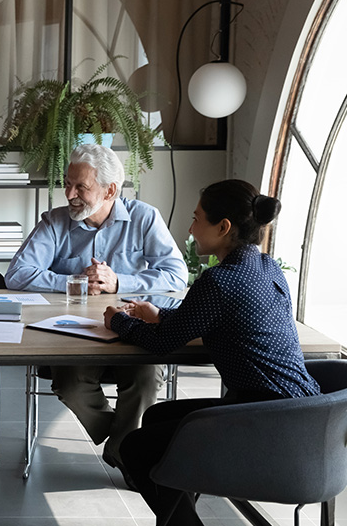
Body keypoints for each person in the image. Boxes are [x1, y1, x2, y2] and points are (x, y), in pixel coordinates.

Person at [103, 179, 320, 525]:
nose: (190, 229)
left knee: (135, 448)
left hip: (263, 420)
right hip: (304, 412)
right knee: (159, 418)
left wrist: (118, 321)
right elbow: (220, 317)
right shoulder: (269, 268)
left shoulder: (219, 281)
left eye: (196, 218)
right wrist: (161, 315)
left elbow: (163, 343)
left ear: (223, 227)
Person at [4, 143, 187, 477]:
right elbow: (17, 275)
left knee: (146, 378)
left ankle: (125, 455)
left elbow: (176, 274)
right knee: (69, 381)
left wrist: (120, 283)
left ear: (110, 190)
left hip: (133, 331)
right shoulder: (56, 221)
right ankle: (123, 442)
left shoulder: (145, 218)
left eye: (81, 187)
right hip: (76, 334)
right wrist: (73, 282)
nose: (70, 193)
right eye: (68, 183)